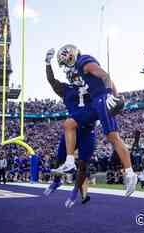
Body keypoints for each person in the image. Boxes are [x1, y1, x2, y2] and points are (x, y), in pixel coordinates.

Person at [52, 45, 137, 197]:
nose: (66, 67)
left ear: (71, 56)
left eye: (66, 62)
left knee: (113, 137)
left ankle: (130, 174)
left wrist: (111, 94)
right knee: (69, 123)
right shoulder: (79, 68)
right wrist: (115, 95)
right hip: (95, 103)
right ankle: (70, 161)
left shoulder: (83, 61)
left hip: (102, 99)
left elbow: (105, 75)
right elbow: (106, 78)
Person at [43, 49, 95, 206]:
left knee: (83, 165)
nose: (76, 75)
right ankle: (57, 181)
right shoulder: (66, 89)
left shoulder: (92, 86)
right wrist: (47, 63)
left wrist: (79, 57)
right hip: (72, 131)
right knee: (59, 160)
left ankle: (74, 192)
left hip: (88, 130)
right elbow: (52, 81)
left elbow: (94, 72)